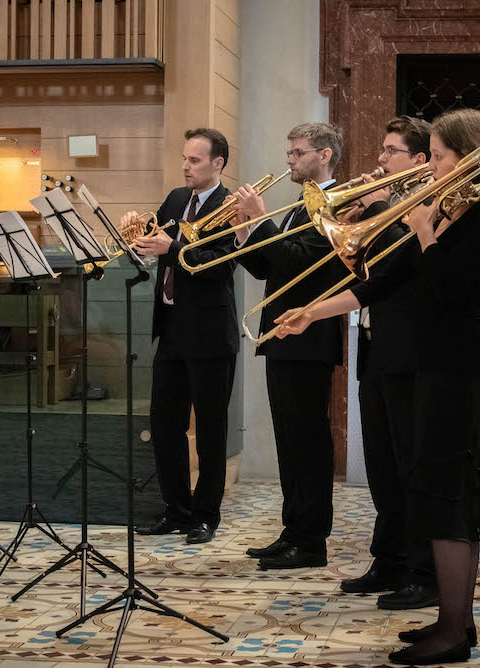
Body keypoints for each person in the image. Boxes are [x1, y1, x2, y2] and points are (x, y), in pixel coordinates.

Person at [277, 108, 480, 665]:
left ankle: (455, 631)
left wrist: (424, 230)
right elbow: (381, 286)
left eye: (437, 155)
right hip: (428, 364)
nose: (429, 165)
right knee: (428, 487)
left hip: (457, 364)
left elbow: (454, 292)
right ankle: (451, 620)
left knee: (449, 492)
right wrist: (310, 312)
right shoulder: (438, 210)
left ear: (467, 155)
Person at [228, 122, 345, 570]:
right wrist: (244, 234)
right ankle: (293, 530)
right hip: (283, 334)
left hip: (309, 337)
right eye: (290, 151)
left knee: (308, 441)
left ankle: (311, 540)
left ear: (325, 155)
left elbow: (303, 262)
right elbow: (269, 269)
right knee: (289, 441)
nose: (290, 159)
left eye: (298, 152)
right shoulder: (302, 205)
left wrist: (260, 219)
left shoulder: (336, 204)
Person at [338, 117, 439, 610]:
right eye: (381, 149)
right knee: (379, 460)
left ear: (418, 161)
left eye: (390, 151)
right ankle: (389, 557)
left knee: (409, 464)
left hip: (410, 350)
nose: (380, 160)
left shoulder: (428, 201)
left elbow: (403, 266)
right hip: (374, 345)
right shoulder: (385, 205)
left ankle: (422, 568)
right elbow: (368, 269)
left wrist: (377, 209)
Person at [128, 128, 237, 545]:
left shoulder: (230, 206)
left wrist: (170, 247)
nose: (186, 166)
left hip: (210, 333)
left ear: (217, 164)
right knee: (164, 424)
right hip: (171, 329)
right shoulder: (176, 198)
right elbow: (155, 242)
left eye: (194, 160)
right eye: (184, 158)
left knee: (211, 429)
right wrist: (136, 236)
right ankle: (176, 508)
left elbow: (219, 265)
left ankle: (206, 515)